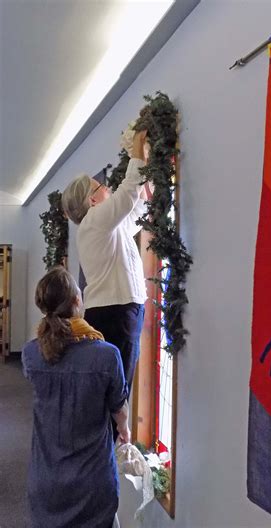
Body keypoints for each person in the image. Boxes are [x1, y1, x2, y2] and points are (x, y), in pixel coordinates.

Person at [22, 266, 130, 528]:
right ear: (77, 302)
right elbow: (120, 411)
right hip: (92, 484)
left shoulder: (30, 354)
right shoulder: (106, 355)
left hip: (45, 481)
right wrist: (124, 429)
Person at [61, 130, 149, 439]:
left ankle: (107, 445)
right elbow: (127, 195)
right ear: (92, 199)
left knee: (116, 387)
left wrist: (146, 175)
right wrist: (138, 148)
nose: (107, 188)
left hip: (118, 311)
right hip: (116, 312)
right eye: (102, 186)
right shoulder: (95, 220)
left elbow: (137, 210)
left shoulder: (105, 224)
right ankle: (109, 448)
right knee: (117, 390)